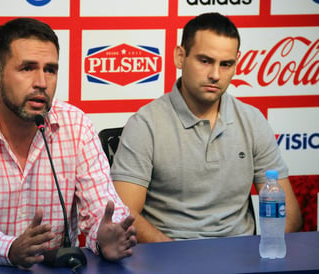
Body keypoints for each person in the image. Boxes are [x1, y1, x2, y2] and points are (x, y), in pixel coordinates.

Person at [0, 17, 136, 268]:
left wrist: (105, 237)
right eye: (27, 68)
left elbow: (106, 211)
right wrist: (9, 248)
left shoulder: (76, 126)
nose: (42, 83)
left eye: (50, 69)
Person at [111, 12, 302, 243]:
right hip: (168, 258)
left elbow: (289, 213)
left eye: (226, 64)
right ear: (180, 57)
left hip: (241, 258)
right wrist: (180, 259)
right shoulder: (145, 124)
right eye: (205, 61)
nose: (215, 75)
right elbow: (124, 214)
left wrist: (268, 253)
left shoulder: (253, 121)